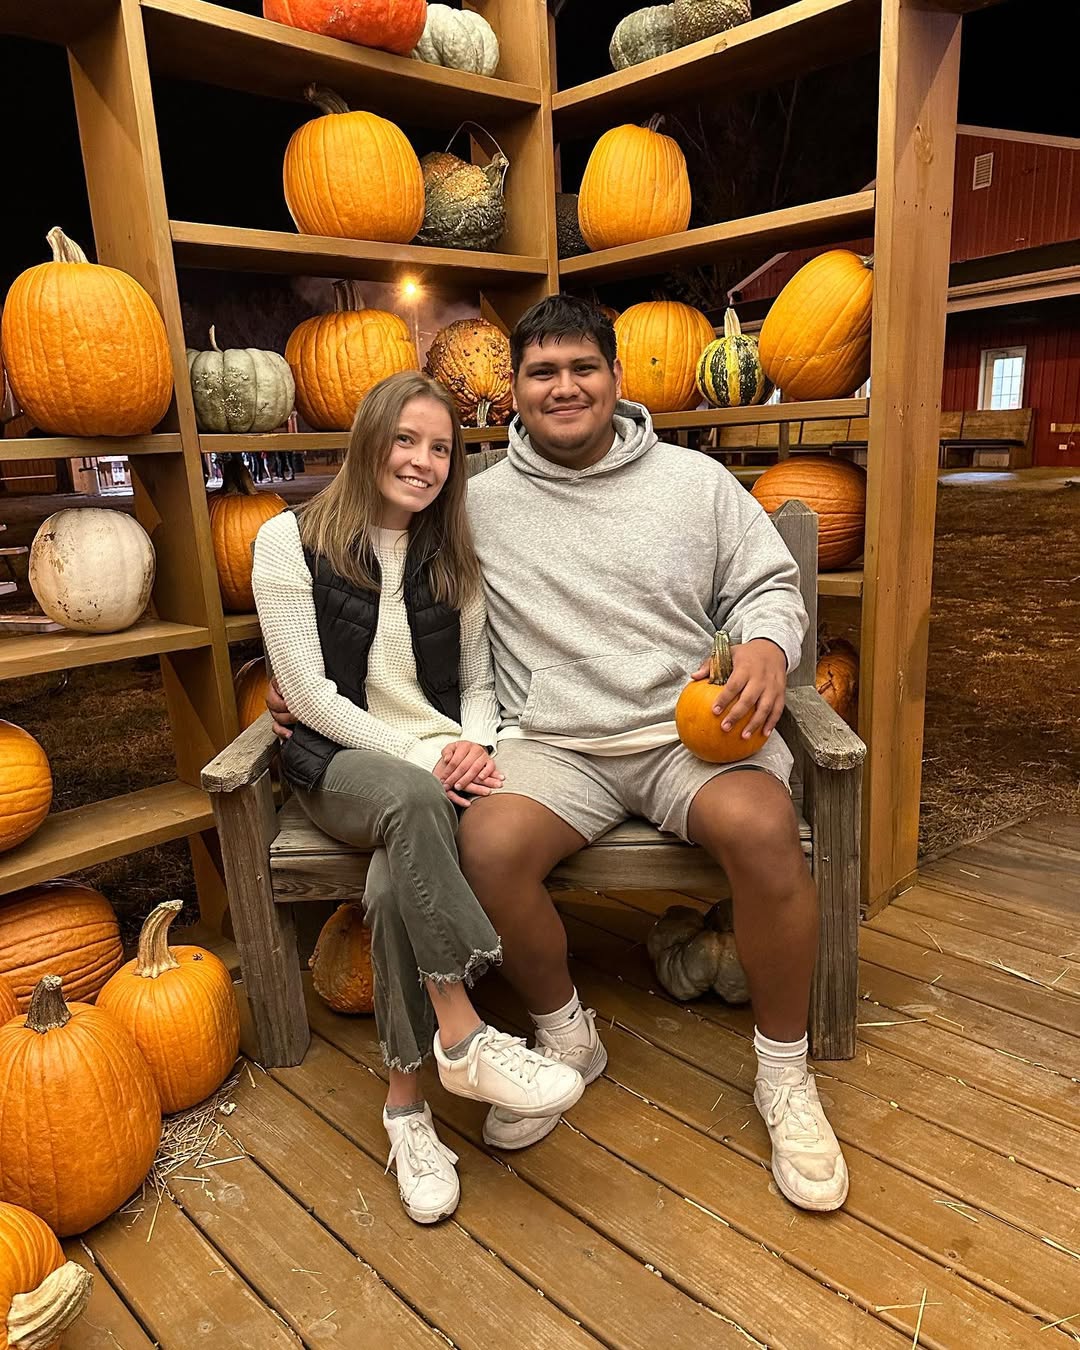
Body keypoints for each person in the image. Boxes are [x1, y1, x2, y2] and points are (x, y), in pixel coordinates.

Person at [270, 299, 849, 1213]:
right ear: (516, 390)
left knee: (765, 829)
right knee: (488, 845)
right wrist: (305, 689)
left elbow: (768, 584)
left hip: (682, 732)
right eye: (543, 372)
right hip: (550, 742)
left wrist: (770, 647)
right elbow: (391, 596)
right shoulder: (474, 501)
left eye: (583, 367)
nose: (564, 387)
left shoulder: (696, 483)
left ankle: (785, 1074)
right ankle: (566, 1034)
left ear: (616, 377)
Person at [251, 370, 585, 1227]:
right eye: (406, 439)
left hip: (435, 771)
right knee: (409, 800)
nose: (422, 461)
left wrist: (472, 745)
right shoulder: (287, 542)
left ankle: (406, 1108)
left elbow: (476, 684)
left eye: (440, 448)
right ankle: (464, 1033)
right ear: (369, 440)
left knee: (394, 877)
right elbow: (309, 694)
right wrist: (421, 758)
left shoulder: (451, 556)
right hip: (338, 765)